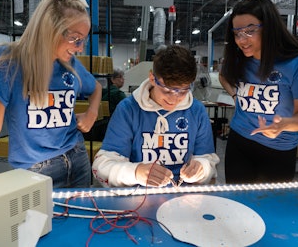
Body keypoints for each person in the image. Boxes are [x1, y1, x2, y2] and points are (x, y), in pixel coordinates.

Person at [0, 0, 102, 188]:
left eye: (83, 40)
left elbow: (96, 88)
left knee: (81, 218)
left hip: (77, 157)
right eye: (75, 39)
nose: (80, 48)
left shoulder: (69, 65)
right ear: (50, 29)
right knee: (38, 221)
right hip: (35, 169)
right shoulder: (8, 62)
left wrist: (92, 112)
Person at [219, 0, 298, 184]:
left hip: (279, 148)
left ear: (269, 27)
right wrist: (235, 96)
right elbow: (224, 76)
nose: (242, 40)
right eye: (237, 33)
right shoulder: (239, 58)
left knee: (271, 207)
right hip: (240, 142)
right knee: (239, 204)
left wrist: (282, 125)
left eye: (250, 31)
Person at [92, 45, 219, 187]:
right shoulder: (128, 110)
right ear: (152, 78)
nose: (174, 99)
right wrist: (135, 172)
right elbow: (101, 166)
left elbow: (208, 160)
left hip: (183, 198)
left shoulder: (196, 111)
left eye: (183, 91)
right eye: (167, 90)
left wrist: (203, 168)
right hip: (138, 197)